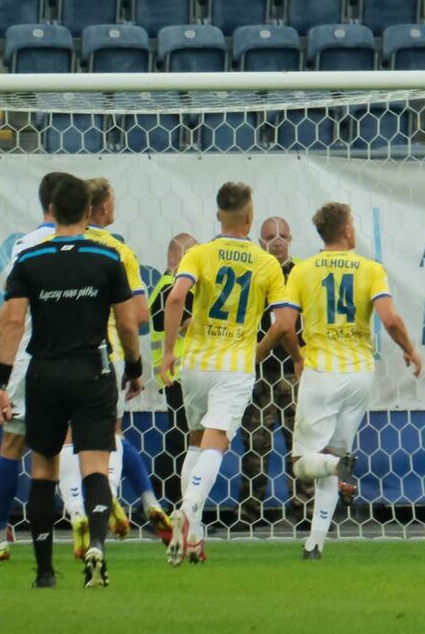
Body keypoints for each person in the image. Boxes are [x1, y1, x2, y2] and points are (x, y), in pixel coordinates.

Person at [0, 173, 145, 588]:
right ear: (90, 212)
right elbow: (129, 324)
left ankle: (44, 571)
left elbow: (15, 322)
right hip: (92, 370)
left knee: (43, 469)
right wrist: (134, 368)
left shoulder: (30, 260)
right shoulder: (108, 258)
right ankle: (97, 545)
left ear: (52, 211)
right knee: (94, 464)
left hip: (44, 373)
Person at [257, 202, 421, 559]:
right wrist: (409, 350)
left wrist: (279, 355)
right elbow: (390, 319)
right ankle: (314, 543)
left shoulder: (302, 271)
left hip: (320, 373)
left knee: (304, 463)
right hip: (359, 374)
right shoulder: (370, 269)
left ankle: (337, 468)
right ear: (347, 231)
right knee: (332, 456)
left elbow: (284, 324)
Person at [160, 183, 287, 566]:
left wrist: (168, 351)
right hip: (233, 365)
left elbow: (176, 297)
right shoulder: (266, 263)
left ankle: (194, 536)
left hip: (196, 363)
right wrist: (254, 352)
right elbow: (282, 322)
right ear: (250, 217)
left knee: (195, 442)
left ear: (218, 215)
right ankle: (190, 507)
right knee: (217, 443)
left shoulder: (198, 253)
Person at [54, 178, 169, 550]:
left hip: (61, 353)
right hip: (108, 357)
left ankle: (75, 509)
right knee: (108, 436)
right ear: (102, 208)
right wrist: (135, 367)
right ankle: (109, 499)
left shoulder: (54, 248)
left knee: (67, 438)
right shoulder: (117, 251)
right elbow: (135, 314)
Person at [0, 172, 69, 564]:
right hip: (75, 359)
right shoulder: (90, 244)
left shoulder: (26, 246)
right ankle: (88, 526)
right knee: (74, 446)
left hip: (28, 358)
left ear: (44, 202)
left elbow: (15, 307)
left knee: (12, 445)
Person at [240, 217, 307, 524]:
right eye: (270, 236)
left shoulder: (302, 275)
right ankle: (250, 512)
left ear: (291, 237)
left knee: (301, 442)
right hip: (259, 372)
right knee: (255, 445)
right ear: (259, 240)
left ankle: (304, 509)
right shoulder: (254, 273)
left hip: (296, 370)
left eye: (282, 234)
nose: (277, 240)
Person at [150, 233, 197, 506]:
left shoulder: (172, 286)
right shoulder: (172, 289)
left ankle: (167, 499)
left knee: (181, 437)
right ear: (172, 258)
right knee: (181, 438)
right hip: (177, 375)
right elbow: (190, 325)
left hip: (183, 376)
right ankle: (168, 498)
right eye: (191, 255)